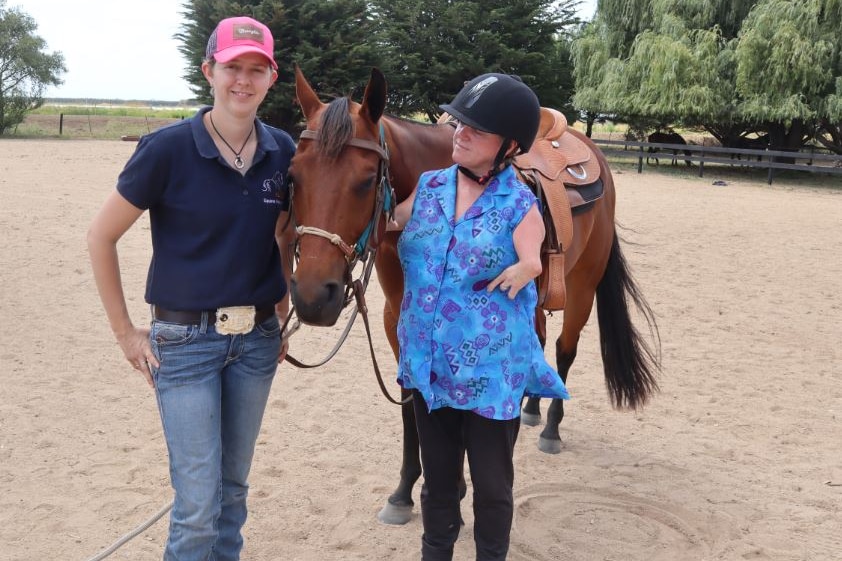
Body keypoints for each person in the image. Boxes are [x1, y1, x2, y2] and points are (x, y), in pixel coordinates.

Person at [87, 16, 295, 561]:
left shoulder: (284, 152)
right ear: (209, 71)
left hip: (256, 344)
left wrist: (281, 308)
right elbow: (101, 237)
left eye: (256, 69)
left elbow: (282, 235)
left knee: (233, 493)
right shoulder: (167, 149)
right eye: (232, 68)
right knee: (198, 506)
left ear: (271, 78)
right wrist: (126, 335)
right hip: (184, 344)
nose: (243, 81)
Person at [389, 74, 570, 560]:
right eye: (459, 124)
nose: (459, 134)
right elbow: (385, 221)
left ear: (508, 146)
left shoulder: (519, 202)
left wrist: (528, 265)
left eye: (476, 130)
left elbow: (533, 257)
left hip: (491, 373)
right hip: (429, 368)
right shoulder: (428, 187)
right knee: (437, 486)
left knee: (493, 487)